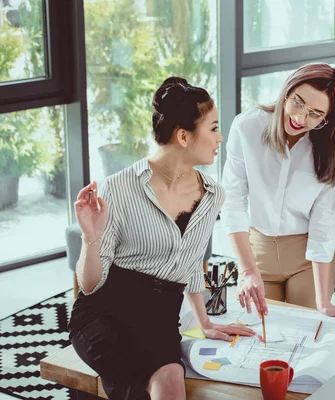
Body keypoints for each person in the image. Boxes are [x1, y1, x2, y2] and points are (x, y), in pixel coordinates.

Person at [69, 77, 255, 400]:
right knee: (137, 386)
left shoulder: (213, 195)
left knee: (170, 385)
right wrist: (91, 237)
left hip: (160, 317)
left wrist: (206, 322)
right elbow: (89, 286)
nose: (220, 137)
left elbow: (192, 262)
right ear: (184, 136)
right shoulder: (119, 188)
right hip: (105, 314)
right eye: (213, 128)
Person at [221, 63, 335, 319]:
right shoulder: (247, 127)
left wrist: (323, 301)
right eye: (298, 103)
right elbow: (233, 201)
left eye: (316, 114)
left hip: (306, 258)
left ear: (328, 118)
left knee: (306, 334)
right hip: (257, 252)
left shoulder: (333, 149)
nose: (300, 118)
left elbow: (323, 220)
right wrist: (248, 270)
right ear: (287, 91)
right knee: (259, 336)